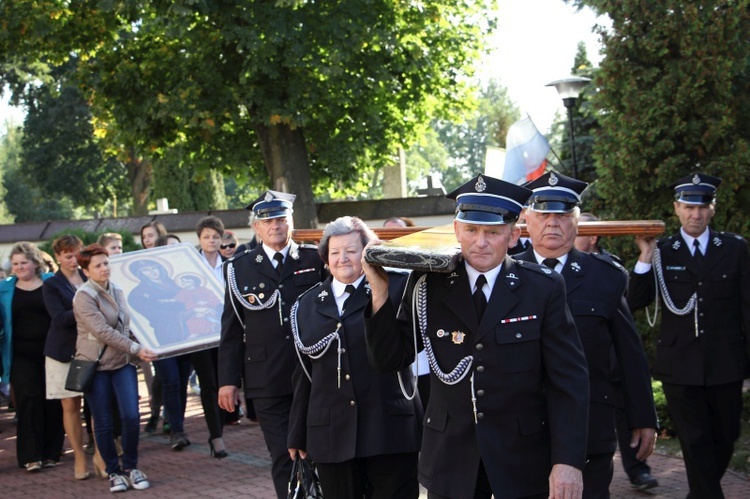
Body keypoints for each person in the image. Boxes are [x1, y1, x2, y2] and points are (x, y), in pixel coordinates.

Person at [363, 174, 590, 499]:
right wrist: (380, 292)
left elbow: (569, 381)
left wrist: (567, 461)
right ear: (457, 230)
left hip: (521, 458)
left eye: (493, 232)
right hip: (450, 457)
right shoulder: (428, 284)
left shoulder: (543, 288)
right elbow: (388, 359)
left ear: (513, 235)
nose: (480, 242)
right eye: (471, 230)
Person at [517, 171, 657, 498]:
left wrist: (643, 416)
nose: (553, 222)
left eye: (563, 214)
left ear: (577, 221)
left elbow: (630, 354)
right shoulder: (505, 274)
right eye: (543, 213)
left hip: (590, 427)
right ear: (527, 219)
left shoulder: (605, 278)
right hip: (521, 428)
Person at [628, 172, 750, 498]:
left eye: (702, 207)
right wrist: (643, 256)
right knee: (695, 439)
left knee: (725, 435)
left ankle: (701, 492)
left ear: (712, 209)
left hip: (726, 361)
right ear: (676, 208)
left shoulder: (735, 248)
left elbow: (747, 308)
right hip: (680, 363)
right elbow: (634, 301)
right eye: (688, 207)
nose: (695, 215)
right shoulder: (662, 251)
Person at [288, 216, 421, 498]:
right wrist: (297, 432)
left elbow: (403, 351)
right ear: (325, 258)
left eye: (351, 250)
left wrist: (378, 291)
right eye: (335, 252)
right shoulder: (306, 305)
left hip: (388, 428)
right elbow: (304, 373)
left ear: (367, 252)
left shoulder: (398, 288)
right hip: (331, 434)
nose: (343, 258)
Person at [218, 190, 327, 499]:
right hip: (266, 378)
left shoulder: (314, 258)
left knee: (319, 449)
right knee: (283, 454)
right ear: (257, 228)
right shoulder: (239, 268)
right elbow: (231, 330)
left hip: (312, 373)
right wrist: (227, 381)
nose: (275, 226)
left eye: (281, 219)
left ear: (292, 221)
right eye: (268, 220)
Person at [574, 212, 658, 491]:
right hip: (585, 367)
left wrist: (646, 256)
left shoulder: (609, 269)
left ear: (594, 236)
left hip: (611, 362)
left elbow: (631, 303)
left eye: (579, 231)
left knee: (622, 420)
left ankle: (637, 469)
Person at [73, 244, 157, 492]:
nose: (104, 268)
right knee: (103, 421)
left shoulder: (118, 289)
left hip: (121, 362)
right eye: (97, 265)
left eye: (106, 263)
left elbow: (126, 325)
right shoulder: (83, 296)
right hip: (95, 365)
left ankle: (131, 467)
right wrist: (135, 348)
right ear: (86, 271)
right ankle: (113, 471)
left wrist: (147, 343)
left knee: (131, 415)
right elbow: (102, 331)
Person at [0, 242, 62, 472]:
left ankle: (51, 453)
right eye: (15, 264)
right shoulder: (4, 288)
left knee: (52, 401)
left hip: (52, 351)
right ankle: (30, 456)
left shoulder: (52, 283)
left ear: (35, 263)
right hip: (20, 354)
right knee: (28, 400)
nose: (19, 267)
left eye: (23, 262)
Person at [42, 235, 92, 480]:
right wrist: (85, 308)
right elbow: (59, 319)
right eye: (68, 255)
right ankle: (79, 457)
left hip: (90, 350)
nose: (73, 260)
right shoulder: (51, 284)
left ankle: (103, 454)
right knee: (70, 404)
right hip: (62, 352)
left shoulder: (90, 276)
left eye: (76, 254)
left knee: (96, 403)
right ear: (58, 257)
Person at [139, 221, 167, 433]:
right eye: (144, 236)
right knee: (157, 374)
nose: (148, 240)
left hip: (173, 328)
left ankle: (165, 414)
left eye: (151, 235)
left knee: (169, 376)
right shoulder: (139, 263)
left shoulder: (167, 262)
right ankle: (156, 410)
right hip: (150, 329)